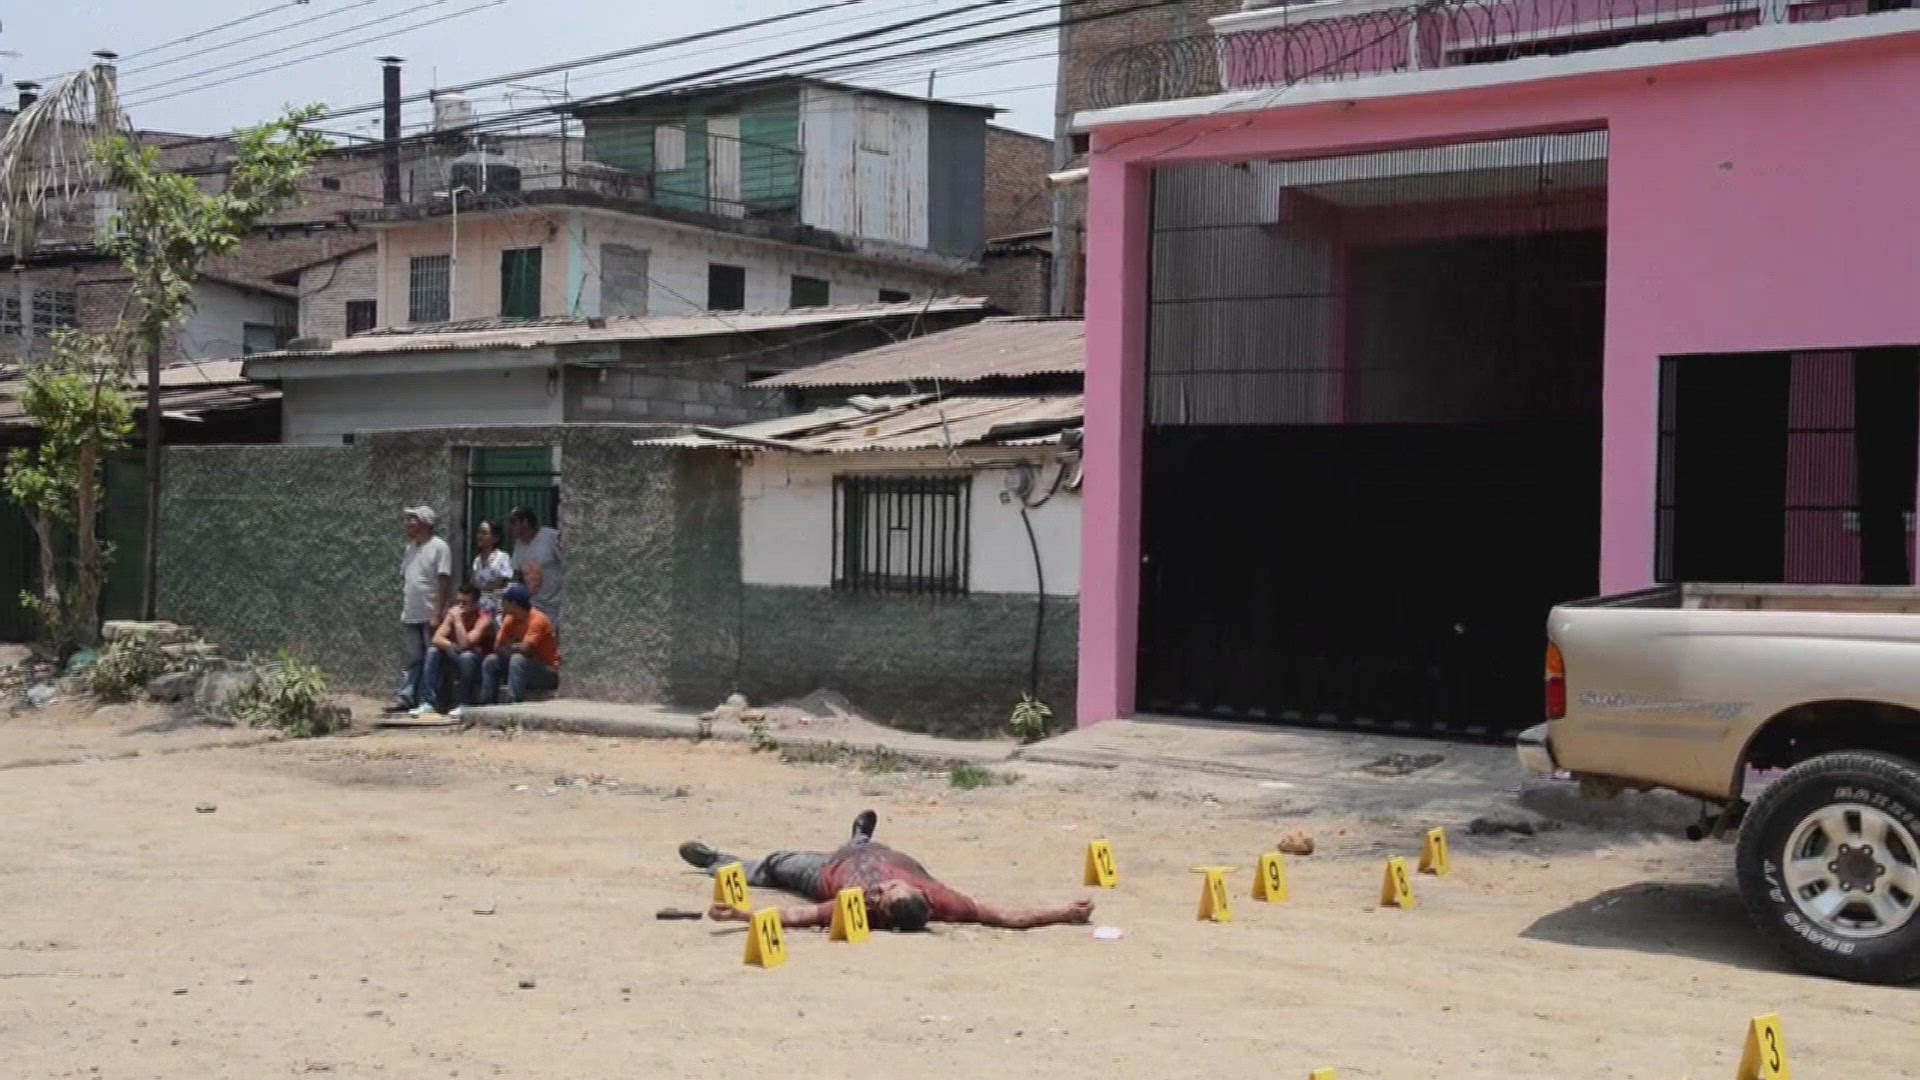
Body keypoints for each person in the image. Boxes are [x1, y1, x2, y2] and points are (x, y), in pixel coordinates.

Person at [680, 810, 1095, 932]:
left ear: (881, 912)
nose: (878, 890)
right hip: (871, 851)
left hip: (827, 870)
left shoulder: (856, 905)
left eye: (881, 898)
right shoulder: (945, 901)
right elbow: (1005, 916)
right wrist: (1063, 911)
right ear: (921, 895)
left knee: (775, 865)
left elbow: (796, 916)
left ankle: (715, 860)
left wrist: (740, 916)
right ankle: (859, 836)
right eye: (890, 888)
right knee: (863, 844)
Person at [385, 505, 451, 715]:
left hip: (429, 613)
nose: (407, 524)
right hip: (411, 613)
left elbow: (443, 581)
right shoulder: (410, 549)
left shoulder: (439, 547)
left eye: (412, 520)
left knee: (432, 658)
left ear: (424, 523)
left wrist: (437, 612)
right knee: (413, 659)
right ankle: (407, 697)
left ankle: (429, 699)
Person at [413, 582, 494, 720]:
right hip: (457, 655)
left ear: (475, 604)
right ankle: (429, 702)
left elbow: (465, 644)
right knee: (433, 652)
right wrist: (452, 646)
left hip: (478, 664)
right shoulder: (453, 615)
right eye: (459, 602)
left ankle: (465, 703)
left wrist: (457, 621)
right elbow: (436, 639)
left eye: (465, 603)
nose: (460, 606)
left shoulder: (484, 620)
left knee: (467, 656)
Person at [480, 584, 559, 704]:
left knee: (517, 659)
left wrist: (510, 647)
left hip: (546, 671)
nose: (501, 605)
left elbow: (526, 649)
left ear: (513, 604)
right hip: (521, 668)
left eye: (504, 602)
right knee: (491, 660)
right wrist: (514, 647)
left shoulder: (537, 619)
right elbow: (497, 647)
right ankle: (488, 702)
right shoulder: (509, 620)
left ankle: (514, 702)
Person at [507, 506, 564, 622]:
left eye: (513, 522)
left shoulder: (550, 537)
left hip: (558, 605)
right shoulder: (519, 544)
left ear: (525, 522)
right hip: (535, 605)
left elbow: (567, 564)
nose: (509, 527)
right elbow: (517, 573)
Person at [470, 521, 514, 615]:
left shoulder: (502, 557)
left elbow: (504, 581)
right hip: (480, 609)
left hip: (497, 609)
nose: (480, 536)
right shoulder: (477, 560)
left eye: (484, 533)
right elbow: (473, 583)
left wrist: (484, 586)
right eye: (479, 532)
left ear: (495, 538)